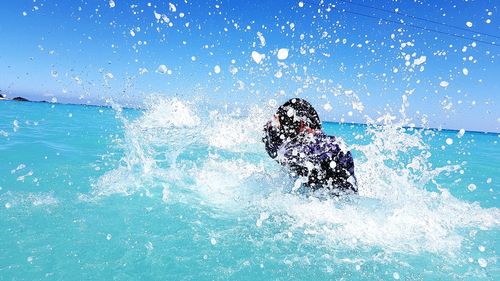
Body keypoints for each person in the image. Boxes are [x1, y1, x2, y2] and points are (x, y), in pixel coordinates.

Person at [262, 98, 357, 194]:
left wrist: (270, 129)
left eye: (284, 124)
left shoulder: (330, 146)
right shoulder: (335, 144)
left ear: (302, 123)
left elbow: (277, 151)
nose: (284, 133)